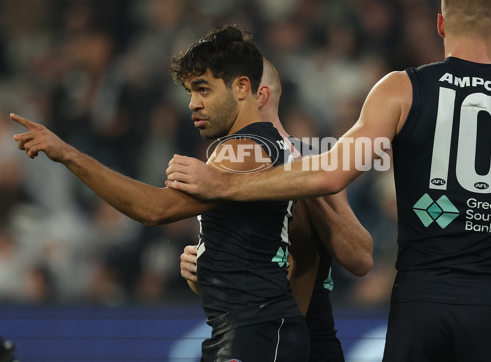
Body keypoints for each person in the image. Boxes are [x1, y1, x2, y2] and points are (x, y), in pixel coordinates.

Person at [164, 0, 491, 361]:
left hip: (422, 305)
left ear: (440, 25)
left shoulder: (402, 89)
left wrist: (224, 185)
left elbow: (330, 173)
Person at [11, 25, 311, 362]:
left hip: (255, 333)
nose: (193, 104)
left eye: (203, 89)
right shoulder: (262, 147)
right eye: (189, 92)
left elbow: (154, 209)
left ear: (242, 87)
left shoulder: (244, 150)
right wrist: (211, 264)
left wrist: (69, 155)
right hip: (250, 330)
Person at [179, 58, 373, 362]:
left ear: (259, 95)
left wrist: (302, 183)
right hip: (246, 337)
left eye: (219, 92)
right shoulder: (225, 162)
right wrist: (199, 265)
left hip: (305, 339)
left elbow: (361, 258)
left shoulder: (317, 162)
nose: (201, 104)